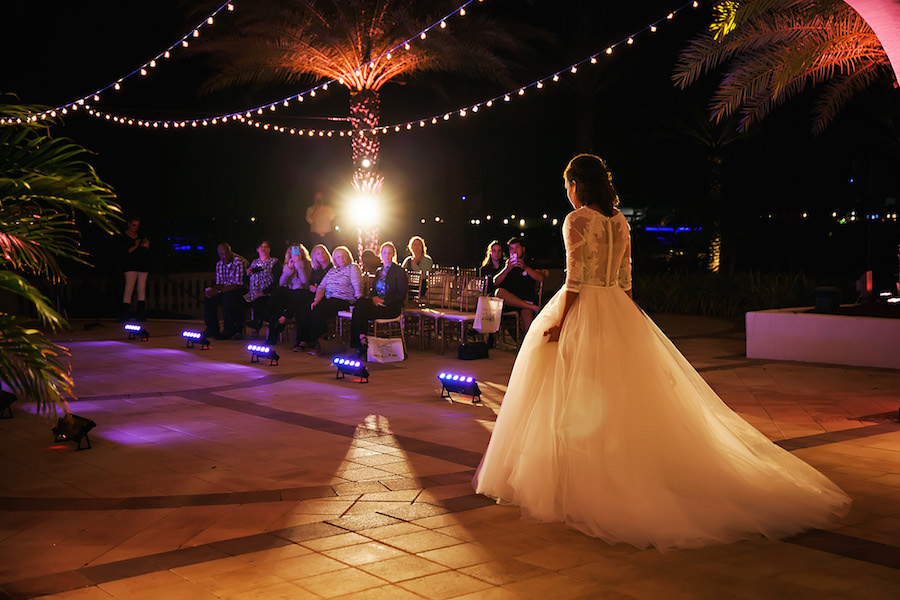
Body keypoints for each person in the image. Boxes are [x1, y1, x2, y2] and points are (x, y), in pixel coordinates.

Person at [473, 154, 850, 550]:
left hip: (585, 311)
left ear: (578, 185)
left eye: (567, 185)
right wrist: (631, 316)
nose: (566, 193)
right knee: (620, 396)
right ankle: (602, 473)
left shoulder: (577, 220)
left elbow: (577, 281)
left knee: (568, 393)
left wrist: (559, 323)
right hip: (618, 308)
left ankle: (577, 482)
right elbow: (625, 278)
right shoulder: (619, 221)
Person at [350, 242, 409, 358]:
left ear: (393, 255)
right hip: (378, 305)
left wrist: (385, 302)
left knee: (359, 309)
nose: (387, 255)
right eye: (384, 252)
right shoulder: (379, 271)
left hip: (391, 307)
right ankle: (362, 338)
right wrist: (373, 299)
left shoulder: (398, 271)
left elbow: (402, 293)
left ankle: (360, 343)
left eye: (389, 253)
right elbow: (373, 292)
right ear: (381, 254)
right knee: (360, 306)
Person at [304, 245, 362, 353]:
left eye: (343, 256)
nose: (341, 259)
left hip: (344, 299)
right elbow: (321, 287)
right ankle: (310, 340)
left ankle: (319, 341)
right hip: (331, 299)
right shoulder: (332, 271)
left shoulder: (352, 267)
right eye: (338, 257)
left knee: (318, 310)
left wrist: (359, 299)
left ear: (348, 256)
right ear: (335, 259)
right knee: (309, 308)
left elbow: (357, 284)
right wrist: (316, 300)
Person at [262, 243, 311, 346]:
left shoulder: (307, 264)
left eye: (297, 251)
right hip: (289, 293)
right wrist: (289, 270)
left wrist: (299, 265)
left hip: (302, 294)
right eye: (291, 252)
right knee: (278, 292)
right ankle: (272, 334)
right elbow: (282, 283)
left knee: (299, 293)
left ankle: (285, 316)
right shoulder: (287, 264)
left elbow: (304, 281)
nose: (294, 254)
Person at [493, 237, 544, 334]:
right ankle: (532, 307)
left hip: (526, 297)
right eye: (511, 248)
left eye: (517, 247)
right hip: (510, 301)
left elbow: (541, 279)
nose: (514, 251)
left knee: (526, 311)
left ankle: (527, 344)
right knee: (498, 292)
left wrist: (525, 267)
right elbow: (495, 282)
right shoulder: (506, 264)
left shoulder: (529, 262)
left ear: (523, 249)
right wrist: (507, 269)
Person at [203, 243, 249, 340]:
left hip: (240, 291)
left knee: (228, 297)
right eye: (221, 254)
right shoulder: (219, 264)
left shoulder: (239, 262)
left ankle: (229, 329)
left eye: (226, 253)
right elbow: (220, 283)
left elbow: (238, 284)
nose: (225, 256)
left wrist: (219, 291)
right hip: (226, 290)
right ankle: (212, 328)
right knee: (209, 297)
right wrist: (213, 290)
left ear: (230, 251)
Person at [118, 217, 150, 321]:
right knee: (129, 289)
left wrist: (146, 246)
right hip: (130, 266)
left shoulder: (141, 236)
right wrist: (135, 246)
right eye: (133, 225)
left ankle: (141, 315)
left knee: (141, 288)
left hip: (142, 265)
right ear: (129, 224)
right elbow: (124, 252)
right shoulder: (124, 236)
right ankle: (124, 315)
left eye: (137, 225)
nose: (135, 228)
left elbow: (145, 250)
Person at [246, 240, 279, 337]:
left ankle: (257, 323)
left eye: (266, 247)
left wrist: (263, 292)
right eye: (261, 247)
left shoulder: (274, 262)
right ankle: (236, 330)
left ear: (269, 249)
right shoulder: (254, 262)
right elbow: (247, 278)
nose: (263, 249)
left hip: (267, 293)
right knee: (236, 301)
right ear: (257, 249)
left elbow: (277, 281)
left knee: (259, 301)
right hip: (252, 293)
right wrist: (247, 274)